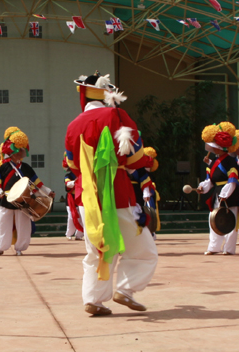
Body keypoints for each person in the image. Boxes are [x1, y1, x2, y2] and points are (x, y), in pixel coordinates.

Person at [66, 72, 158, 317]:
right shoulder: (116, 115)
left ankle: (93, 299)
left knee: (97, 248)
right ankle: (125, 290)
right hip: (117, 192)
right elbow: (134, 156)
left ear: (84, 95)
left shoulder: (73, 125)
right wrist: (150, 160)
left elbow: (72, 165)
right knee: (144, 250)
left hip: (86, 194)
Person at [0, 128, 47, 256]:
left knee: (24, 225)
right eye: (18, 151)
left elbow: (37, 183)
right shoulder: (4, 167)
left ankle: (20, 248)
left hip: (24, 200)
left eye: (22, 151)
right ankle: (0, 247)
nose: (20, 154)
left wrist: (47, 193)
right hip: (7, 199)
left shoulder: (26, 168)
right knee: (2, 223)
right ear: (13, 152)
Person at [195, 123, 239, 255]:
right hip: (217, 193)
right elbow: (210, 180)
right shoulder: (215, 161)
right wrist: (202, 187)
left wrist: (225, 194)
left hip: (230, 193)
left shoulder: (231, 161)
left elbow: (232, 180)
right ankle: (213, 247)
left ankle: (229, 249)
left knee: (230, 220)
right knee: (214, 219)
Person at [130, 147, 160, 238]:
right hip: (123, 190)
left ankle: (146, 232)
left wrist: (146, 192)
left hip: (136, 191)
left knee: (137, 212)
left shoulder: (138, 165)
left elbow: (144, 178)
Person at [64, 163, 84, 241]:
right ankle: (69, 234)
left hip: (80, 197)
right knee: (71, 217)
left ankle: (79, 235)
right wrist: (76, 181)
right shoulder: (68, 176)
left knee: (82, 216)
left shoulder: (82, 175)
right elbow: (67, 184)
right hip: (71, 198)